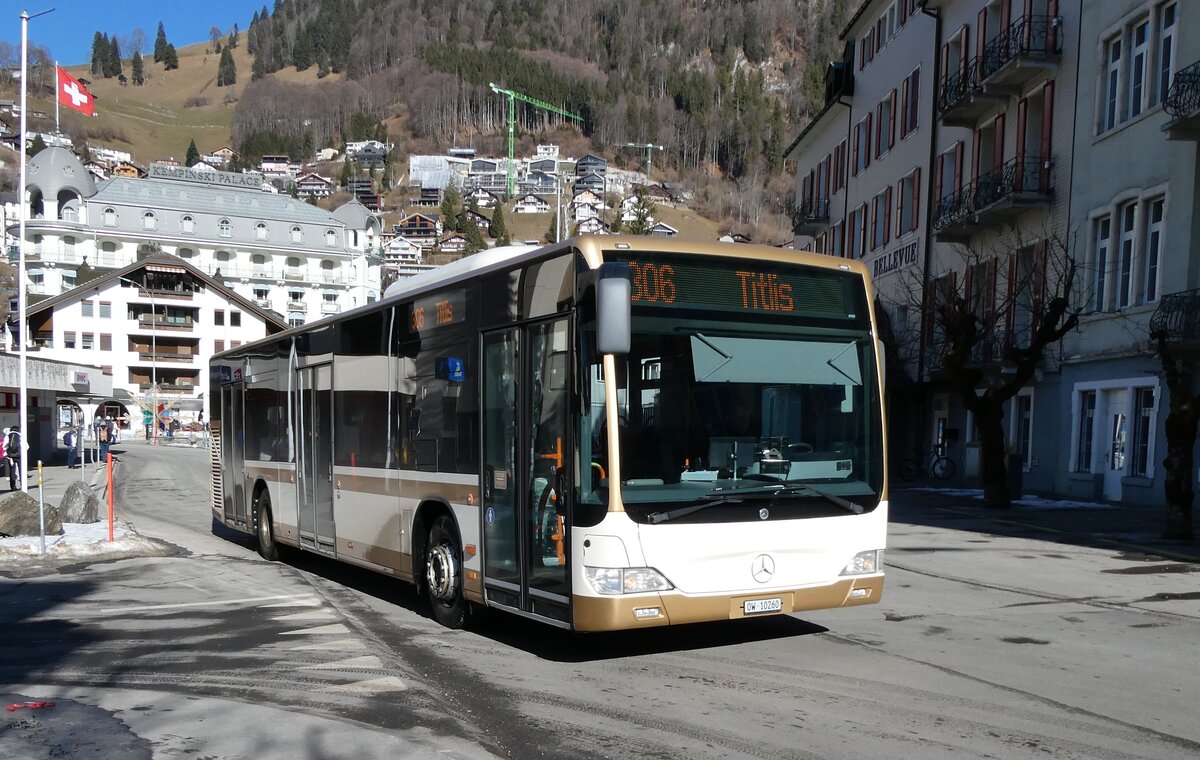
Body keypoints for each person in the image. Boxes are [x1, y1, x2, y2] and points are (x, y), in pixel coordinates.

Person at [5, 425, 21, 490]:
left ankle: (13, 486)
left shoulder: (8, 435)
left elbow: (4, 446)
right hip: (19, 456)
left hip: (11, 456)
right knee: (21, 470)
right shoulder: (20, 435)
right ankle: (22, 484)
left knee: (12, 470)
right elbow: (26, 446)